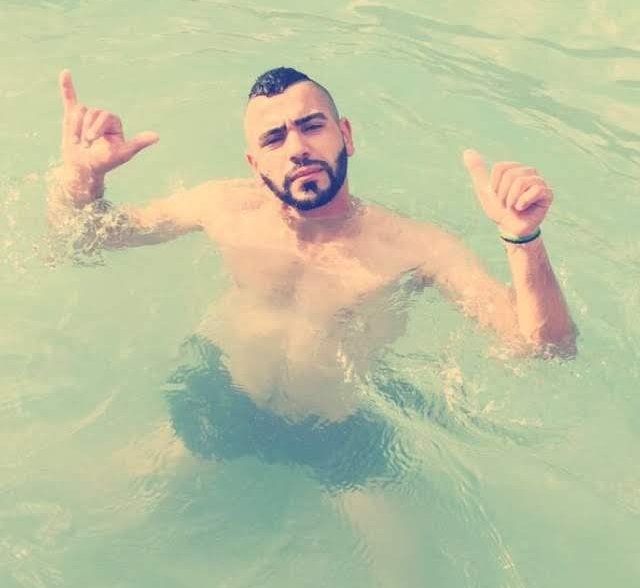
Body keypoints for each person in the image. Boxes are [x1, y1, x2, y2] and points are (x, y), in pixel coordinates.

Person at [49, 66, 576, 487]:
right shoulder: (224, 207)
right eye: (274, 138)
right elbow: (86, 239)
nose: (297, 147)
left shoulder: (416, 248)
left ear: (345, 135)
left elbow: (543, 350)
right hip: (226, 400)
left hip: (338, 431)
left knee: (408, 584)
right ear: (255, 164)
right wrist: (81, 176)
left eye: (311, 125)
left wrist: (523, 239)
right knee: (93, 499)